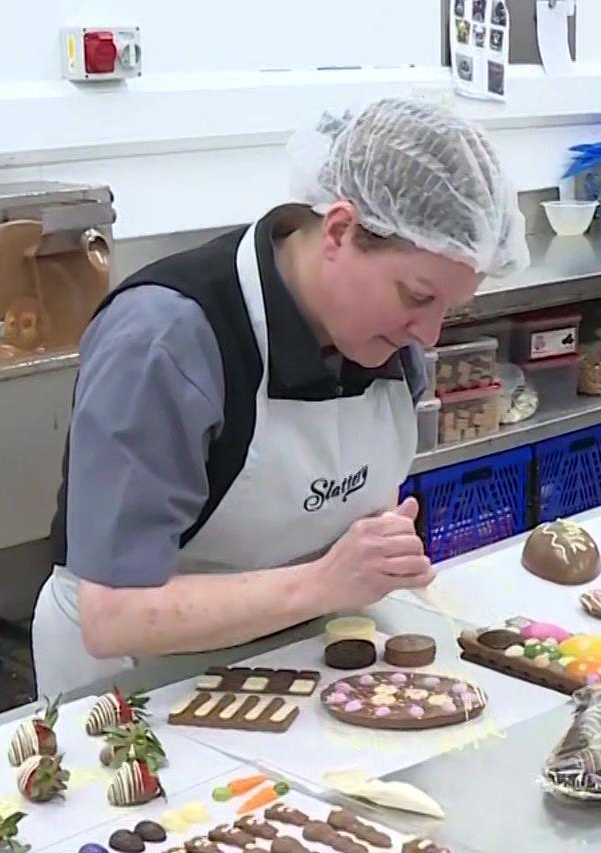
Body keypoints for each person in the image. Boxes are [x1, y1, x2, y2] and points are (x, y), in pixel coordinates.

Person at [32, 99, 527, 698]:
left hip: (300, 662)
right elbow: (113, 615)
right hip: (137, 690)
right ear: (340, 231)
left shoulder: (384, 341)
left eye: (451, 309)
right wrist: (324, 582)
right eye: (417, 297)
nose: (428, 335)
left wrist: (377, 555)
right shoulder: (167, 341)